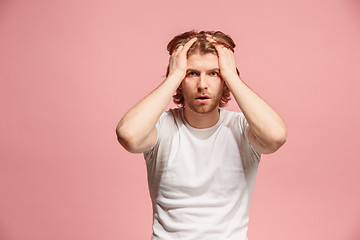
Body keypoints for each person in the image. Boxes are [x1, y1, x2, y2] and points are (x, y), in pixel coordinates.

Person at [116, 30, 287, 240]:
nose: (203, 85)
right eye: (192, 73)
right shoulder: (161, 127)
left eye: (214, 73)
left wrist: (231, 74)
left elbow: (276, 136)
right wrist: (174, 75)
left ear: (224, 79)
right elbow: (128, 135)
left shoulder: (242, 128)